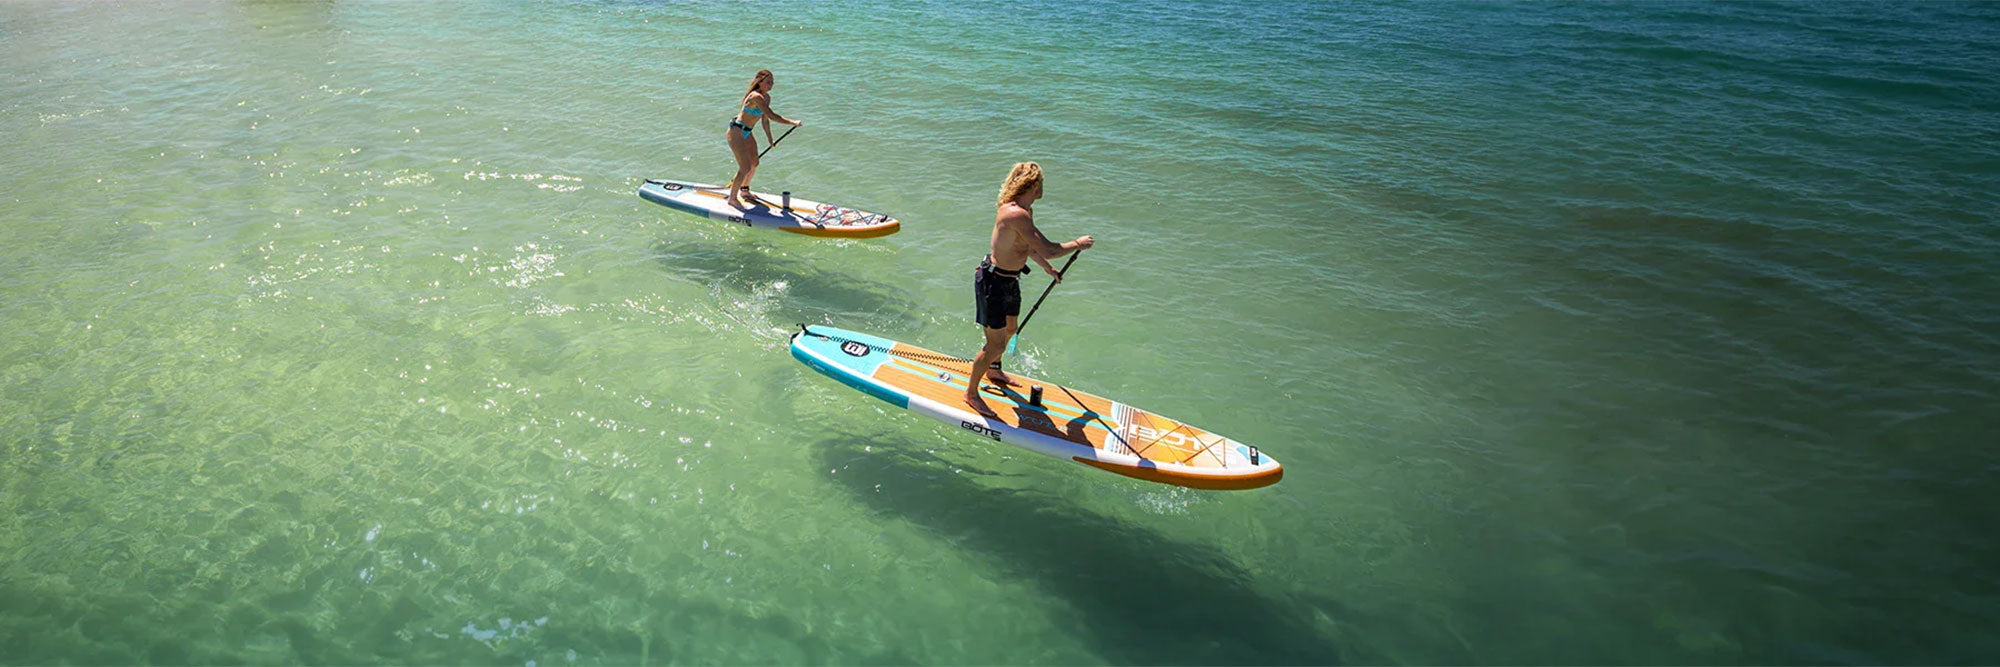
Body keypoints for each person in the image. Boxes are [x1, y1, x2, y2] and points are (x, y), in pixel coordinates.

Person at [964, 162, 1093, 413]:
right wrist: (1077, 243)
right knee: (995, 345)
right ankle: (971, 394)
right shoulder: (1014, 213)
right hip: (993, 283)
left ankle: (994, 369)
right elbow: (1051, 248)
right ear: (1033, 185)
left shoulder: (1026, 211)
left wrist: (1047, 268)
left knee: (1011, 329)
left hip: (1010, 280)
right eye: (1041, 183)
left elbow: (1029, 247)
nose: (1043, 187)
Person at [724, 69, 802, 210]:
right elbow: (772, 115)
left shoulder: (766, 98)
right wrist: (792, 122)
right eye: (768, 81)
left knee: (754, 162)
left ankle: (745, 190)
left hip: (747, 132)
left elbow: (765, 120)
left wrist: (770, 139)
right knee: (745, 166)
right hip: (737, 131)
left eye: (772, 82)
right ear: (759, 82)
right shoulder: (755, 96)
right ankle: (732, 198)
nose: (771, 84)